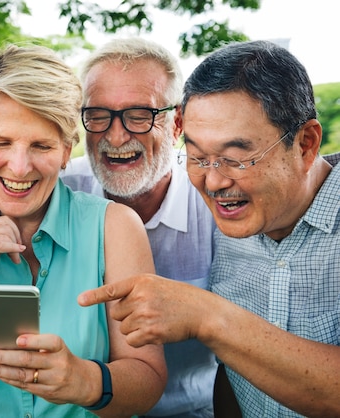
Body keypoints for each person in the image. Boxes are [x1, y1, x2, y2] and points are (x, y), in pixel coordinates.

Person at [78, 40, 340, 417]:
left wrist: (206, 316)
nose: (214, 182)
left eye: (235, 159)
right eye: (198, 156)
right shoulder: (231, 219)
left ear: (306, 143)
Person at [0, 44, 167, 417]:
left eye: (41, 145)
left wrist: (85, 381)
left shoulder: (114, 228)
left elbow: (149, 380)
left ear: (65, 151)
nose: (20, 166)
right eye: (2, 142)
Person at [61, 37, 217, 417]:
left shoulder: (216, 205)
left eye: (139, 115)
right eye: (98, 114)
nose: (116, 136)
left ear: (177, 122)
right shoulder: (60, 192)